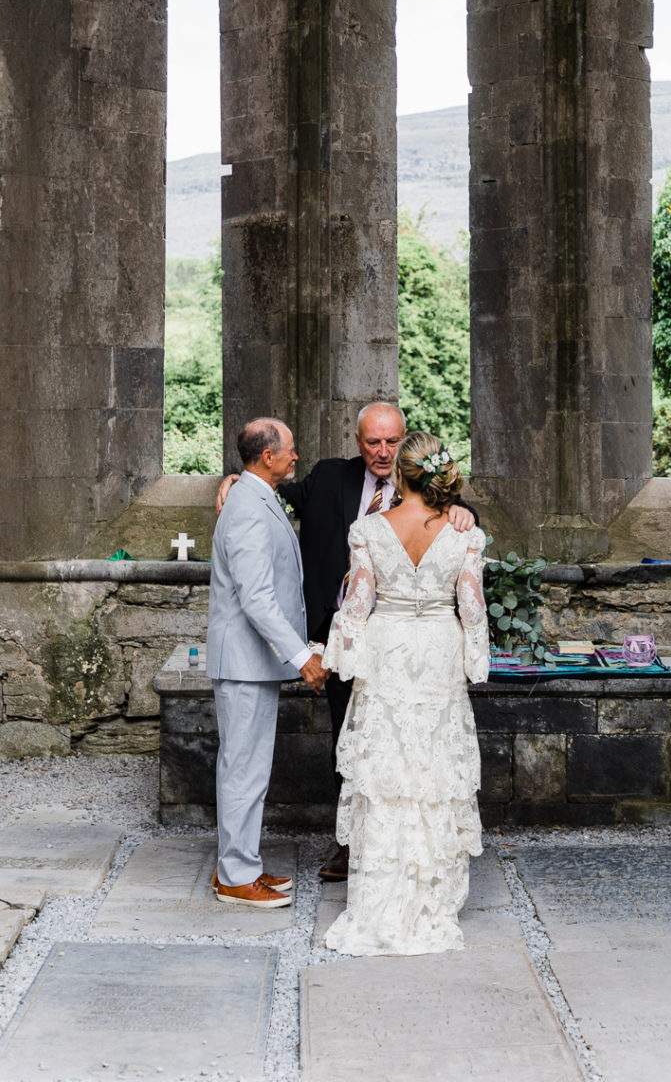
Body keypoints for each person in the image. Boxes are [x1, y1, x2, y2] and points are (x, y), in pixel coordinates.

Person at [215, 401, 476, 882]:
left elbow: (454, 525)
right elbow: (275, 490)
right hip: (338, 635)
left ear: (405, 442)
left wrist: (458, 508)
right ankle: (352, 843)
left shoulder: (426, 493)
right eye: (373, 442)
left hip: (406, 642)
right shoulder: (330, 476)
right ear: (358, 442)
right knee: (351, 739)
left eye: (392, 442)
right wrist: (236, 480)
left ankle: (413, 842)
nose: (383, 452)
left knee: (411, 741)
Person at [320, 431, 489, 956]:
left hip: (388, 647)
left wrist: (337, 654)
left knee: (387, 763)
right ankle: (431, 895)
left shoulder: (368, 529)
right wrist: (475, 658)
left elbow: (360, 600)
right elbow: (472, 606)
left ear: (400, 474)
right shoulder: (465, 536)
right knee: (432, 764)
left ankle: (380, 890)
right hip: (437, 648)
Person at [207, 417, 325, 908]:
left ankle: (242, 865)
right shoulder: (249, 508)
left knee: (251, 768)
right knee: (242, 768)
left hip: (251, 663)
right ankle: (234, 877)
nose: (296, 458)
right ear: (268, 457)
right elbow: (256, 598)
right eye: (290, 451)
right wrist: (301, 655)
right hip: (244, 662)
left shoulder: (252, 495)